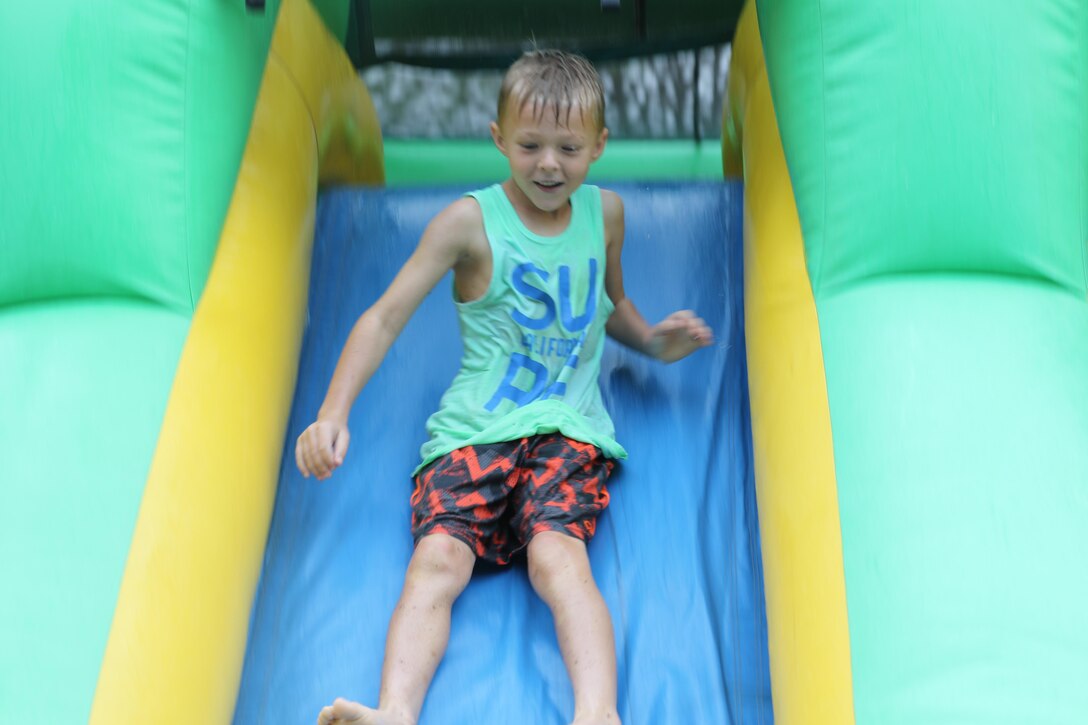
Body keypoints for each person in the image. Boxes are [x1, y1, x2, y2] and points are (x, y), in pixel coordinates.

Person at [297, 49, 713, 725]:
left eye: (569, 148)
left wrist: (658, 342)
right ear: (498, 139)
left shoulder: (605, 216)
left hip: (566, 432)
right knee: (436, 558)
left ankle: (597, 712)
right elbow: (383, 317)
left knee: (559, 557)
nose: (549, 164)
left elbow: (612, 308)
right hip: (472, 433)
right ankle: (396, 710)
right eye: (529, 145)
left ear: (600, 145)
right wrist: (332, 411)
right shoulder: (468, 222)